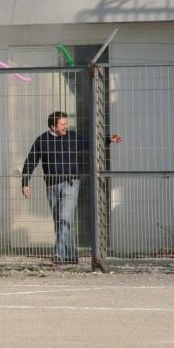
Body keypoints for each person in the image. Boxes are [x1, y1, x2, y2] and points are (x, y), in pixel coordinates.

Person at [22, 111, 123, 268]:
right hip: (52, 185)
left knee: (65, 219)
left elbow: (91, 141)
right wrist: (25, 183)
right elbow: (30, 161)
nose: (66, 127)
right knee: (60, 221)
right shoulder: (42, 141)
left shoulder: (72, 137)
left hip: (71, 183)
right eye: (62, 124)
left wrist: (109, 139)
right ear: (53, 126)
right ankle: (71, 256)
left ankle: (58, 254)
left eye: (66, 123)